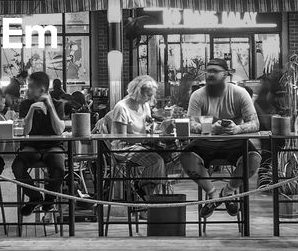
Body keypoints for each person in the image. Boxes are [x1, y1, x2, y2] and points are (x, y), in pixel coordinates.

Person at [179, 58, 260, 219]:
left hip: (235, 141)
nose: (209, 74)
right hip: (205, 141)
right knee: (186, 157)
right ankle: (213, 196)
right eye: (208, 71)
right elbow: (190, 123)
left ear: (226, 74)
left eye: (214, 71)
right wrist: (209, 128)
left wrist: (237, 129)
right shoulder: (198, 95)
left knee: (254, 159)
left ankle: (228, 192)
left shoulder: (239, 93)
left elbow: (255, 123)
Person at [12, 72, 69, 216]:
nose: (27, 90)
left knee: (58, 168)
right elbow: (25, 131)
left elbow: (59, 130)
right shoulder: (25, 104)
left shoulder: (57, 104)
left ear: (42, 90)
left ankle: (49, 200)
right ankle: (35, 197)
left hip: (53, 146)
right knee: (17, 166)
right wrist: (31, 110)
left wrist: (50, 107)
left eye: (30, 87)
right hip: (31, 146)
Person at [104, 74, 167, 193]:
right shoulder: (122, 107)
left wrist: (160, 129)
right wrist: (145, 139)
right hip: (123, 148)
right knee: (156, 160)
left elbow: (148, 128)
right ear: (137, 92)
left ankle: (150, 190)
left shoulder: (145, 105)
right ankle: (144, 190)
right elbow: (122, 138)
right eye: (148, 95)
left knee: (168, 156)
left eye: (152, 95)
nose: (150, 98)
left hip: (141, 145)